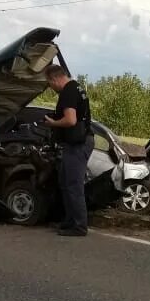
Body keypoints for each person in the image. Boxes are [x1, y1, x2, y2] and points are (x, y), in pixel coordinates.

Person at [43, 64, 94, 237]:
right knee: (65, 183)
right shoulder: (77, 87)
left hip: (78, 144)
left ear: (54, 78)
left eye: (49, 83)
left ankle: (79, 226)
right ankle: (70, 221)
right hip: (76, 142)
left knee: (73, 185)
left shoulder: (68, 91)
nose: (51, 87)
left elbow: (71, 120)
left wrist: (52, 123)